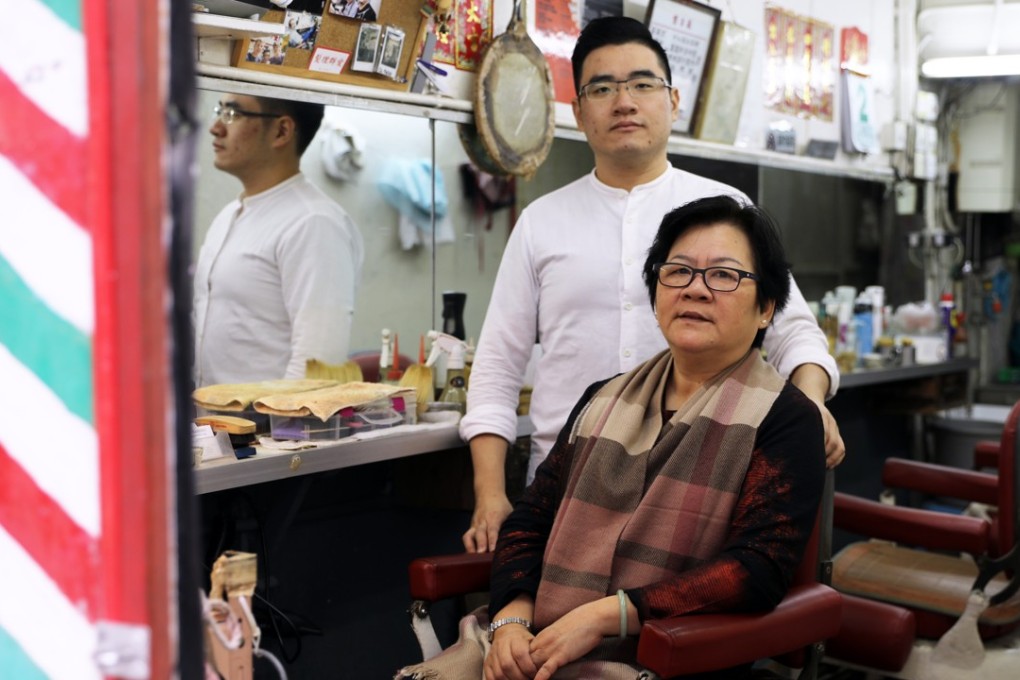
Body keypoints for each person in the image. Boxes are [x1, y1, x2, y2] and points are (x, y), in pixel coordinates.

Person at [398, 195, 827, 679]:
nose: (696, 290)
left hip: (666, 658)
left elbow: (756, 570)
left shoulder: (784, 418)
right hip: (533, 641)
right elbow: (531, 521)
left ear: (767, 308)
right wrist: (511, 620)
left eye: (724, 275)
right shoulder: (603, 399)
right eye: (678, 271)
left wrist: (606, 617)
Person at [460, 16, 844, 553]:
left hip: (702, 489)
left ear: (673, 100)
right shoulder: (541, 222)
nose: (624, 102)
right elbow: (498, 365)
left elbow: (794, 331)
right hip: (564, 493)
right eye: (602, 88)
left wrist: (810, 407)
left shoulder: (727, 212)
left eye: (643, 84)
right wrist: (490, 493)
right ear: (579, 112)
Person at [193, 95, 364, 387]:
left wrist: (281, 429)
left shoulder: (313, 222)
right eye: (219, 110)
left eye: (233, 114)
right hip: (213, 425)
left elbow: (317, 361)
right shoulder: (230, 214)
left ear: (281, 131)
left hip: (265, 429)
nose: (216, 127)